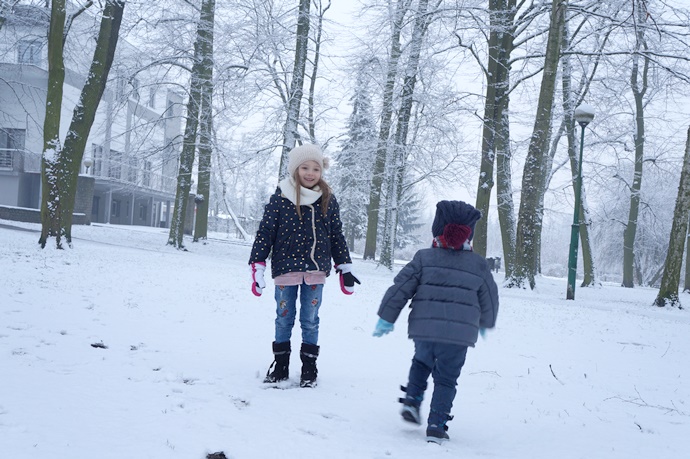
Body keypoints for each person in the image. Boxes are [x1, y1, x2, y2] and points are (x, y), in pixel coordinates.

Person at [372, 200, 499, 443]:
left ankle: (412, 400)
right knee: (447, 378)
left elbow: (399, 289)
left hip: (424, 329)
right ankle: (437, 425)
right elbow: (490, 298)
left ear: (437, 228)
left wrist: (386, 318)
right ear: (468, 233)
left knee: (421, 363)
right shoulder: (479, 265)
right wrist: (486, 321)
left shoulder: (423, 258)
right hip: (459, 336)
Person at [249, 143, 360, 388]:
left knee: (310, 320)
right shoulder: (280, 196)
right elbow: (266, 232)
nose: (310, 173)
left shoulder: (328, 200)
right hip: (286, 270)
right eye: (305, 168)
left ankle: (309, 367)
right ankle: (281, 365)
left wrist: (344, 266)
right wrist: (257, 264)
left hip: (315, 271)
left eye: (316, 169)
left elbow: (336, 235)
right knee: (283, 318)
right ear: (295, 169)